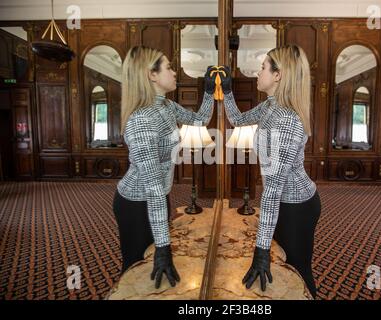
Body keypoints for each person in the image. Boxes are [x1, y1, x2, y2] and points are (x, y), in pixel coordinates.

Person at [220, 44, 322, 298]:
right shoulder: (270, 106)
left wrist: (261, 249)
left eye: (263, 67)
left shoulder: (286, 118)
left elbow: (273, 190)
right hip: (283, 201)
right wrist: (228, 90)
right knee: (284, 268)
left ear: (278, 75)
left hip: (296, 206)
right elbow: (238, 120)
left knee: (298, 272)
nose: (258, 72)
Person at [113, 46, 216, 288]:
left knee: (153, 269)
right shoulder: (142, 119)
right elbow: (152, 188)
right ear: (151, 75)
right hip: (136, 203)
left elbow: (200, 120)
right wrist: (163, 247)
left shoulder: (166, 106)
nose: (174, 73)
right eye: (169, 67)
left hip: (159, 195)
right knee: (136, 267)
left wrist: (210, 92)